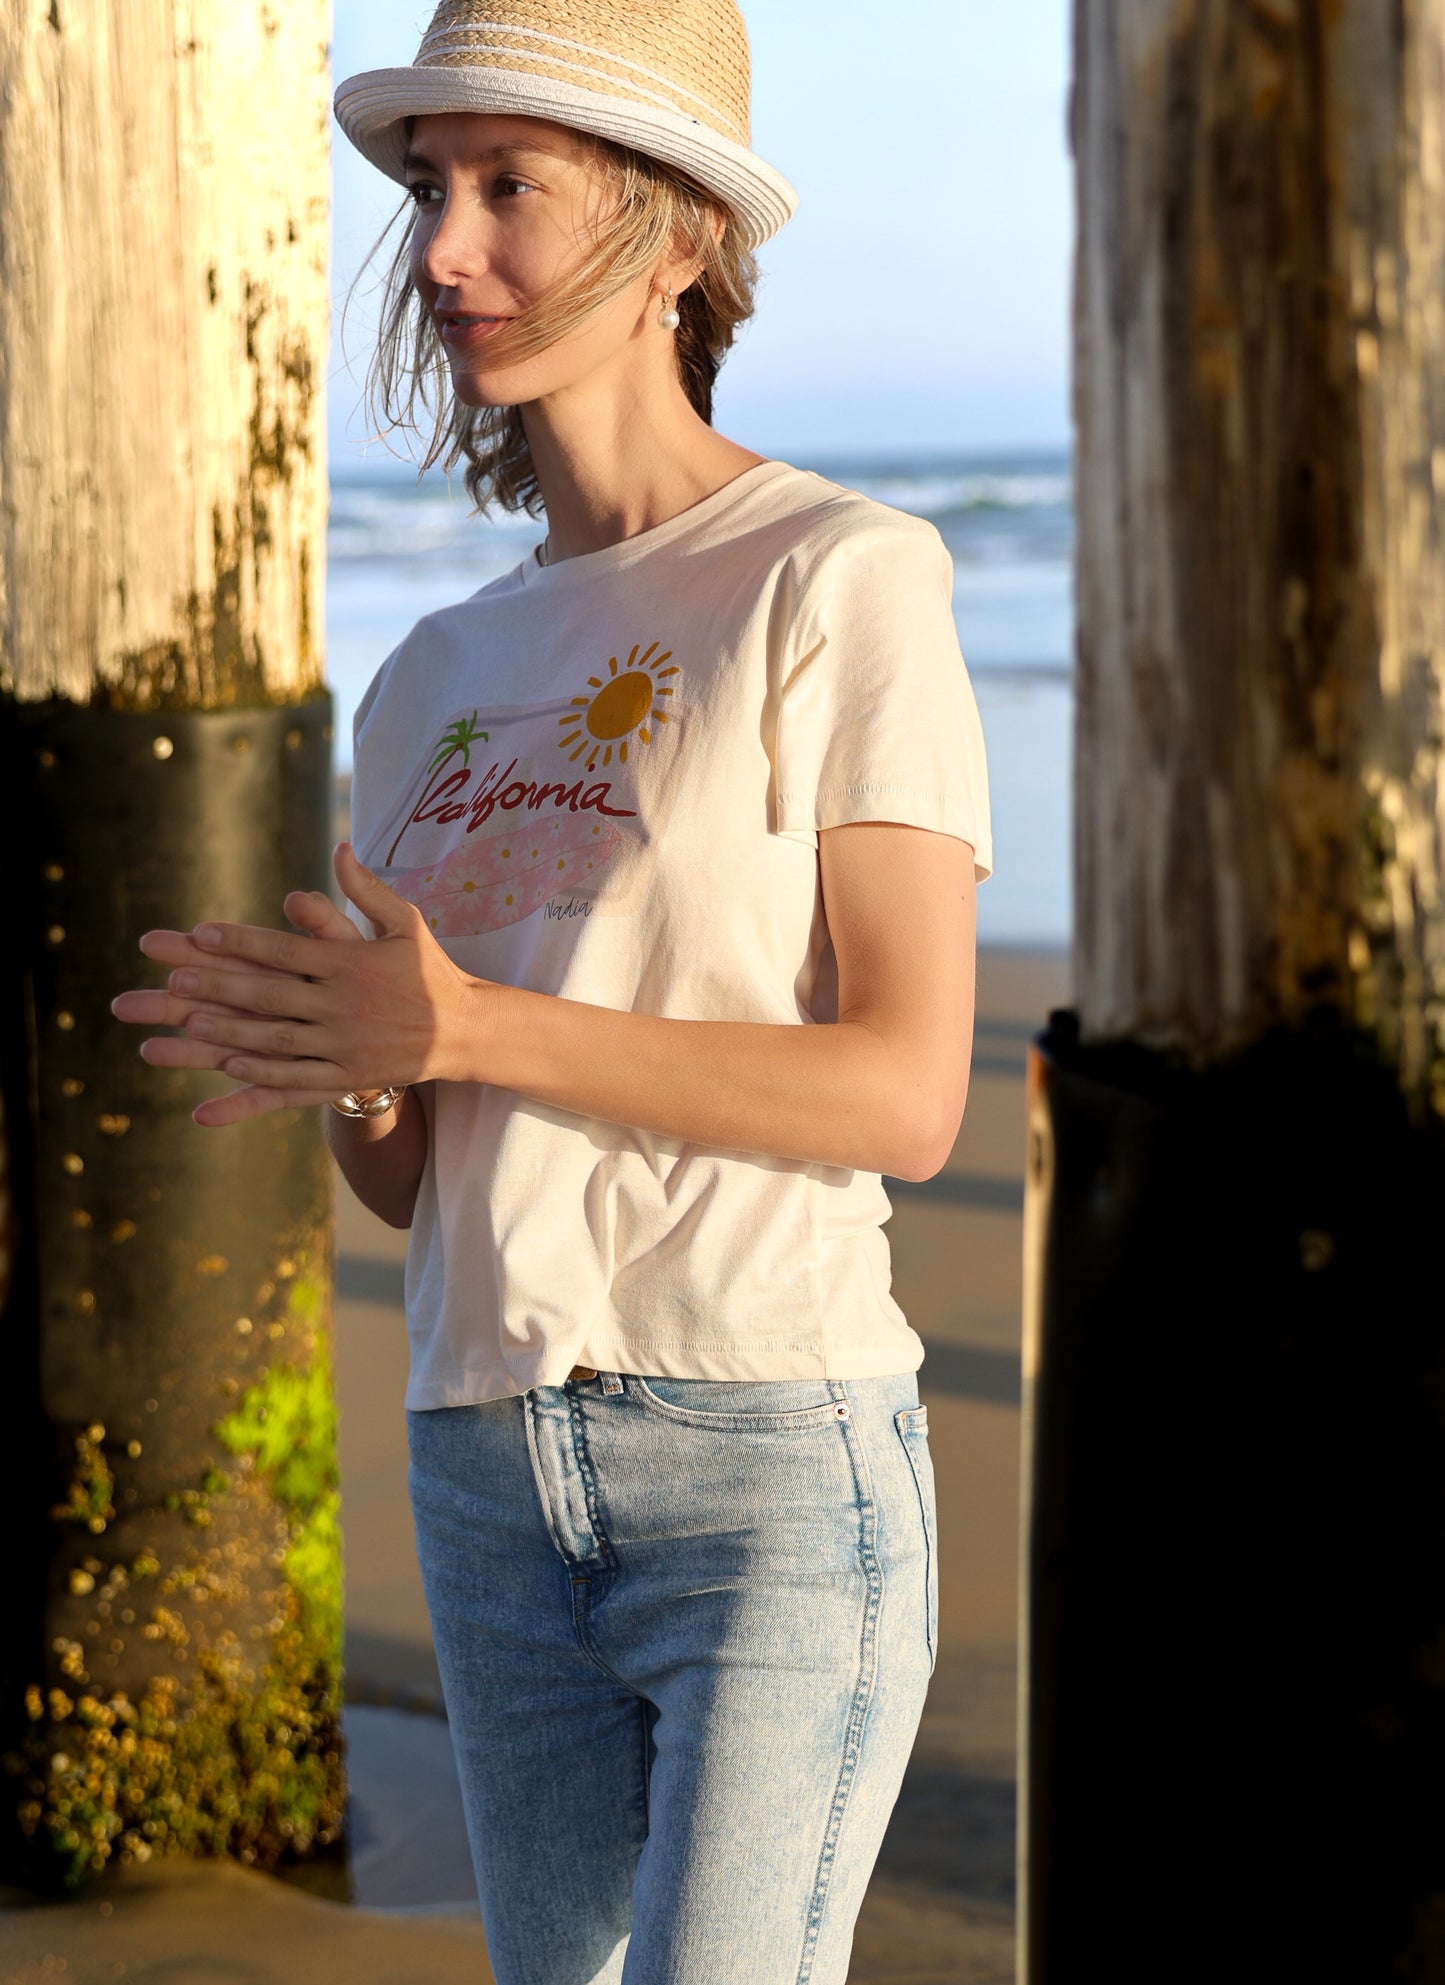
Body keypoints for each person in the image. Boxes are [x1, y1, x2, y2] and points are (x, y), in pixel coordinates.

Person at [113, 2, 993, 1979]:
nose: (441, 250)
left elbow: (906, 1093)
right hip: (487, 1470)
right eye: (436, 187)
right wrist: (348, 1057)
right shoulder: (431, 673)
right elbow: (423, 1183)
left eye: (513, 186)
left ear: (680, 236)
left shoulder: (836, 582)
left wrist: (470, 1026)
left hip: (765, 1461)